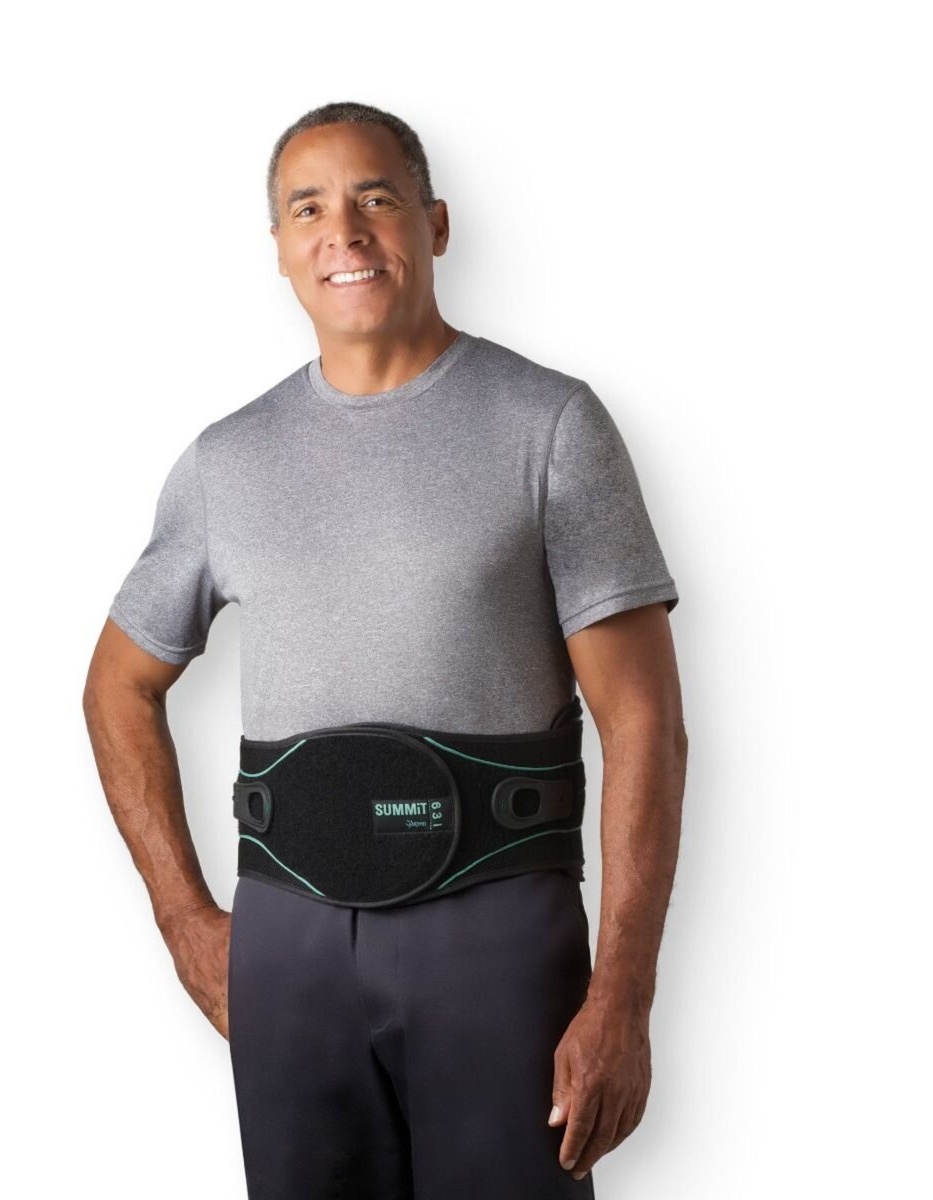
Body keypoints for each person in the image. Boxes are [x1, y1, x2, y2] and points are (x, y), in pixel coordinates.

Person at [82, 100, 688, 1199]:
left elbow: (642, 721)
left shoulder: (549, 426)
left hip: (496, 936)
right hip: (290, 946)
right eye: (308, 208)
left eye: (375, 198)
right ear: (278, 247)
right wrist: (184, 921)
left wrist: (622, 996)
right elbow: (117, 687)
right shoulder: (227, 462)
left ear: (434, 223)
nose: (343, 233)